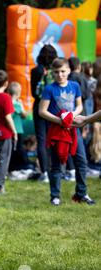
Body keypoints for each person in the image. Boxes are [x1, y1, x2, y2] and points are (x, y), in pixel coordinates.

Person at [38, 58, 95, 206]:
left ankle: (82, 193)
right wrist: (59, 120)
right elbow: (42, 111)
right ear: (52, 73)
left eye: (63, 71)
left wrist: (72, 116)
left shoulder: (75, 85)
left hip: (73, 130)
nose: (60, 75)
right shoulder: (49, 89)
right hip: (57, 131)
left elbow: (79, 106)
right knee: (56, 164)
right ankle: (55, 196)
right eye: (56, 72)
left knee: (81, 161)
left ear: (69, 71)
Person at [30, 44, 58, 183]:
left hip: (39, 107)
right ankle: (57, 169)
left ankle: (44, 172)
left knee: (41, 140)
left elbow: (33, 93)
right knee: (53, 138)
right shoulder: (57, 71)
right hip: (52, 107)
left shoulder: (35, 71)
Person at [7, 82, 29, 173]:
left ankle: (10, 166)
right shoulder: (17, 104)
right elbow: (24, 115)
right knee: (18, 148)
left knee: (10, 148)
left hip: (8, 130)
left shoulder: (7, 102)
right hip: (18, 130)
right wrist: (22, 107)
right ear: (18, 94)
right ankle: (19, 165)